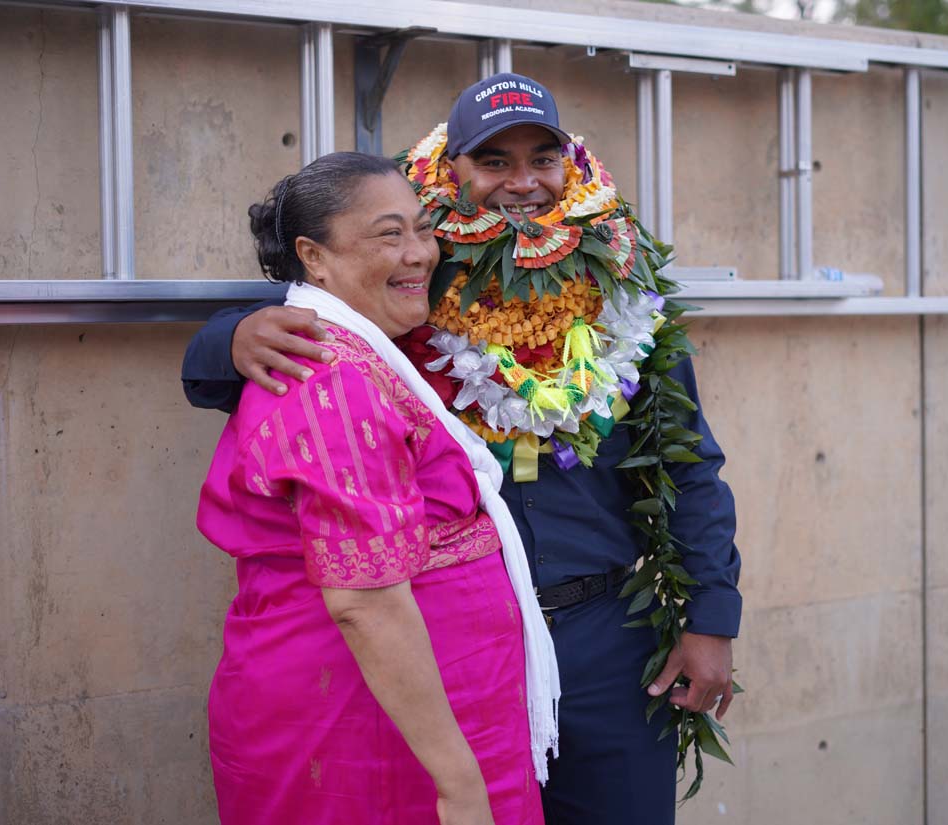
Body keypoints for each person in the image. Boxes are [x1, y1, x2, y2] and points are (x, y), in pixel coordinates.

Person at [184, 75, 741, 825]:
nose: (523, 182)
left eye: (542, 159)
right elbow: (320, 310)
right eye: (494, 161)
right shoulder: (421, 279)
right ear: (453, 174)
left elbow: (688, 464)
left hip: (605, 637)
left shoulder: (622, 297)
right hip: (461, 654)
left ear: (570, 166)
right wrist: (231, 336)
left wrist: (711, 616)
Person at [196, 151, 559, 825]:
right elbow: (365, 604)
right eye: (389, 235)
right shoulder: (331, 376)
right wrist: (458, 783)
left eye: (422, 228)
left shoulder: (367, 350)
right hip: (363, 727)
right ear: (314, 256)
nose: (418, 252)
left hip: (425, 713)